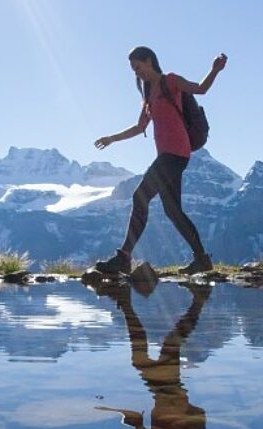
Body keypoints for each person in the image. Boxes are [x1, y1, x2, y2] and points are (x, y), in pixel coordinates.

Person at [93, 47, 227, 275]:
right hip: (169, 156)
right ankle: (202, 259)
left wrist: (215, 69)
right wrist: (111, 139)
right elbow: (139, 127)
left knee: (140, 196)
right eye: (133, 70)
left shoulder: (171, 81)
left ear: (149, 60)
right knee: (172, 210)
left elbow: (200, 89)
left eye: (138, 67)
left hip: (175, 154)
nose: (137, 73)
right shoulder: (149, 95)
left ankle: (124, 257)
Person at [94, 283, 221, 429]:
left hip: (160, 395)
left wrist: (134, 424)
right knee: (170, 344)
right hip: (172, 397)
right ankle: (198, 300)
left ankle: (126, 304)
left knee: (148, 354)